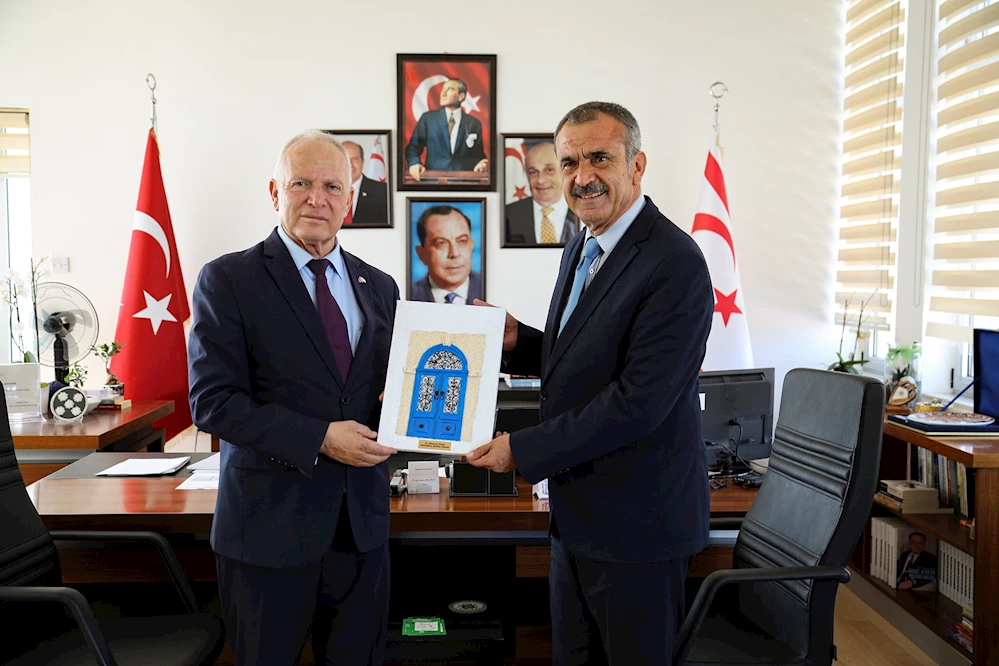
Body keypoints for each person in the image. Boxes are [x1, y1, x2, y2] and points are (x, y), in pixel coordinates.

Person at [467, 102, 714, 665]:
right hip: (578, 520)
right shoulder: (583, 242)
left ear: (637, 165)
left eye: (599, 158)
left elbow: (637, 402)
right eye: (570, 162)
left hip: (639, 529)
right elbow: (587, 357)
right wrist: (519, 342)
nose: (582, 177)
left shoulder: (675, 262)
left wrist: (522, 449)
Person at [188, 129, 400, 666]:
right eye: (301, 183)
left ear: (349, 202)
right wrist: (320, 438)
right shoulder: (228, 279)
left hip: (361, 530)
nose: (316, 199)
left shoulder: (380, 286)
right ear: (274, 192)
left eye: (332, 187)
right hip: (268, 532)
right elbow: (212, 401)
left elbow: (383, 392)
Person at [405, 79, 488, 181]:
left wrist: (481, 162)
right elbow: (413, 147)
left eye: (450, 89)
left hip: (464, 184)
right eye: (443, 89)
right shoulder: (428, 119)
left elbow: (478, 155)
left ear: (461, 96)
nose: (443, 93)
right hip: (433, 183)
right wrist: (414, 163)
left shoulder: (474, 123)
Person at [505, 142, 579, 245]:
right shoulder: (508, 214)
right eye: (533, 172)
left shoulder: (583, 209)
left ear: (564, 171)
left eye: (549, 170)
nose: (540, 180)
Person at [410, 204, 482, 304]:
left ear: (471, 246)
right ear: (421, 254)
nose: (454, 253)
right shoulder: (408, 296)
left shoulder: (494, 287)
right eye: (441, 243)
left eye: (462, 241)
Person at [342, 140, 389, 226]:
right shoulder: (326, 191)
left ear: (362, 162)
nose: (350, 164)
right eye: (345, 159)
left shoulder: (383, 191)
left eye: (354, 159)